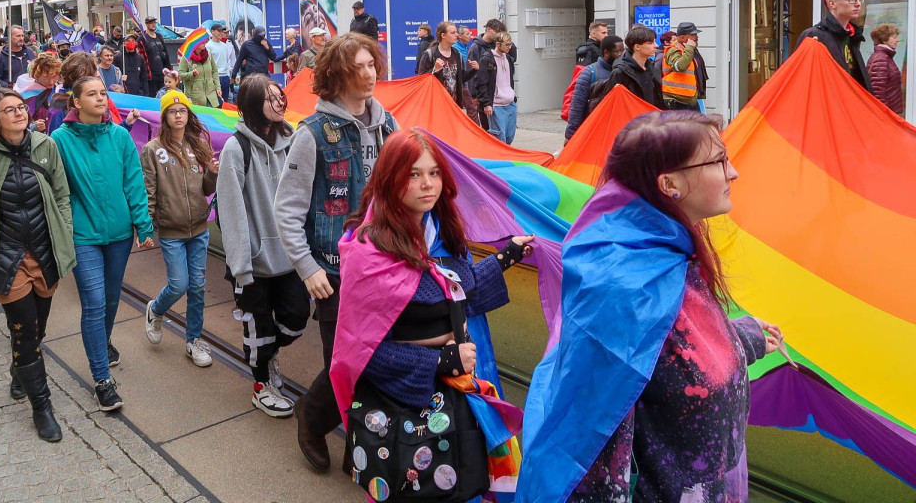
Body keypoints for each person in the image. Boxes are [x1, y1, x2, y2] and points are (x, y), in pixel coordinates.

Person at [516, 111, 783, 503]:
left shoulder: (667, 252)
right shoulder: (624, 289)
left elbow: (670, 353)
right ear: (669, 184)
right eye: (717, 161)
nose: (734, 172)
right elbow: (597, 438)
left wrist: (738, 337)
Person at [330, 129, 530, 499]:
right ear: (390, 179)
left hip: (457, 401)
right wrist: (440, 361)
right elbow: (361, 353)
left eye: (434, 173)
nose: (428, 184)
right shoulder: (368, 252)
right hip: (405, 410)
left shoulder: (440, 233)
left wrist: (507, 255)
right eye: (414, 174)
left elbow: (460, 291)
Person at [274, 33, 397, 472]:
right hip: (334, 271)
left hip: (384, 265)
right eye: (357, 67)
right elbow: (286, 210)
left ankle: (357, 453)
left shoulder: (389, 125)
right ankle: (312, 418)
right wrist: (307, 268)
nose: (369, 74)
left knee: (379, 358)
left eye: (371, 65)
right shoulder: (311, 135)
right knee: (344, 364)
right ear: (335, 76)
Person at [0, 89, 76, 442]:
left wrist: (64, 234)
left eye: (20, 108)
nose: (18, 113)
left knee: (37, 329)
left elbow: (62, 194)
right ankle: (42, 407)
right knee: (25, 330)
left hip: (44, 253)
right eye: (9, 110)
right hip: (6, 257)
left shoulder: (46, 146)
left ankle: (20, 367)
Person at [52, 77, 155, 411]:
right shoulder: (60, 140)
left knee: (111, 299)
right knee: (94, 303)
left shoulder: (120, 137)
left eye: (102, 93)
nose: (100, 98)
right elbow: (55, 190)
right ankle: (102, 380)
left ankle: (102, 340)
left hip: (120, 234)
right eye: (92, 94)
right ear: (76, 102)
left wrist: (143, 224)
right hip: (83, 236)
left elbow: (134, 182)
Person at [217, 75, 307, 417]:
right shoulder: (235, 148)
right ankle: (261, 385)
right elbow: (231, 210)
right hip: (253, 262)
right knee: (257, 329)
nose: (280, 102)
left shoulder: (294, 140)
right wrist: (241, 266)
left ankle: (269, 356)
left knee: (297, 318)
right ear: (254, 104)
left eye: (280, 95)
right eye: (271, 98)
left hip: (290, 257)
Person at [142, 90, 219, 367]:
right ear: (164, 117)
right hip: (171, 232)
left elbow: (207, 190)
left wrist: (212, 173)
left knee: (197, 287)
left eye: (182, 111)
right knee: (179, 284)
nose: (178, 115)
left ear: (189, 115)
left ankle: (193, 340)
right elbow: (149, 191)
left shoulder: (198, 145)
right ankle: (156, 308)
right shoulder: (153, 150)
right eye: (172, 111)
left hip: (199, 229)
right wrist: (146, 228)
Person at [797, 0, 872, 92]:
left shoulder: (853, 36)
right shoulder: (814, 35)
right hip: (827, 99)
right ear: (832, 3)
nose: (858, 4)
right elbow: (801, 78)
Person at [565, 34, 625, 140]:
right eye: (618, 51)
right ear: (606, 53)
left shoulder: (624, 71)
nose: (621, 55)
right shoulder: (590, 72)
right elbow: (577, 106)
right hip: (595, 129)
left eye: (623, 51)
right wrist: (570, 135)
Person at [416, 21, 474, 112]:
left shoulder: (456, 54)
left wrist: (474, 70)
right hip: (435, 107)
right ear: (443, 35)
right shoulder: (430, 54)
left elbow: (461, 78)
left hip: (454, 106)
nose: (457, 35)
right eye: (453, 33)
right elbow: (421, 81)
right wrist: (435, 70)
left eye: (456, 32)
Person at [605, 24, 664, 108]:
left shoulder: (653, 69)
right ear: (637, 47)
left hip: (651, 114)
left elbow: (658, 99)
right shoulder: (621, 72)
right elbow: (611, 103)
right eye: (650, 43)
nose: (656, 46)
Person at [467, 18, 505, 132]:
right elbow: (471, 72)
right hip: (482, 91)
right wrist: (474, 95)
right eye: (496, 31)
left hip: (495, 91)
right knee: (486, 125)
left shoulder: (496, 46)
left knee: (497, 125)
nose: (498, 34)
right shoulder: (475, 47)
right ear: (488, 29)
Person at [661, 23, 708, 111]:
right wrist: (689, 47)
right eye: (693, 35)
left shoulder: (688, 49)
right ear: (682, 37)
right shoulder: (674, 49)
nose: (697, 37)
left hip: (688, 98)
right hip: (676, 98)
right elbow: (680, 66)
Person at [867, 23, 903, 115]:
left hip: (890, 111)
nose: (897, 40)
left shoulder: (886, 56)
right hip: (886, 113)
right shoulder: (881, 58)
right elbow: (877, 90)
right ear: (884, 39)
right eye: (894, 37)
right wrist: (885, 114)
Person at [490, 32, 518, 143]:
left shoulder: (509, 59)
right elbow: (483, 81)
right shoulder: (488, 59)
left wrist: (513, 96)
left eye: (510, 44)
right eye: (507, 44)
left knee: (509, 137)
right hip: (497, 104)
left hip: (510, 102)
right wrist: (487, 103)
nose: (509, 47)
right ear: (498, 44)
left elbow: (510, 79)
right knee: (499, 139)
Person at [141, 16, 173, 95]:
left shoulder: (159, 36)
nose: (153, 24)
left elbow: (165, 54)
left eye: (154, 22)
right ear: (146, 24)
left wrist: (169, 70)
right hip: (151, 76)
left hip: (162, 73)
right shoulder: (142, 38)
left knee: (164, 95)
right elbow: (141, 58)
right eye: (151, 23)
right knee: (153, 97)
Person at [209, 23, 237, 101]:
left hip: (225, 76)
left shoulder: (224, 46)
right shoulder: (208, 46)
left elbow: (228, 61)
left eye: (222, 31)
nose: (221, 33)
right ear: (212, 32)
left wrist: (229, 75)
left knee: (226, 100)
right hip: (215, 77)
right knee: (216, 101)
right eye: (219, 31)